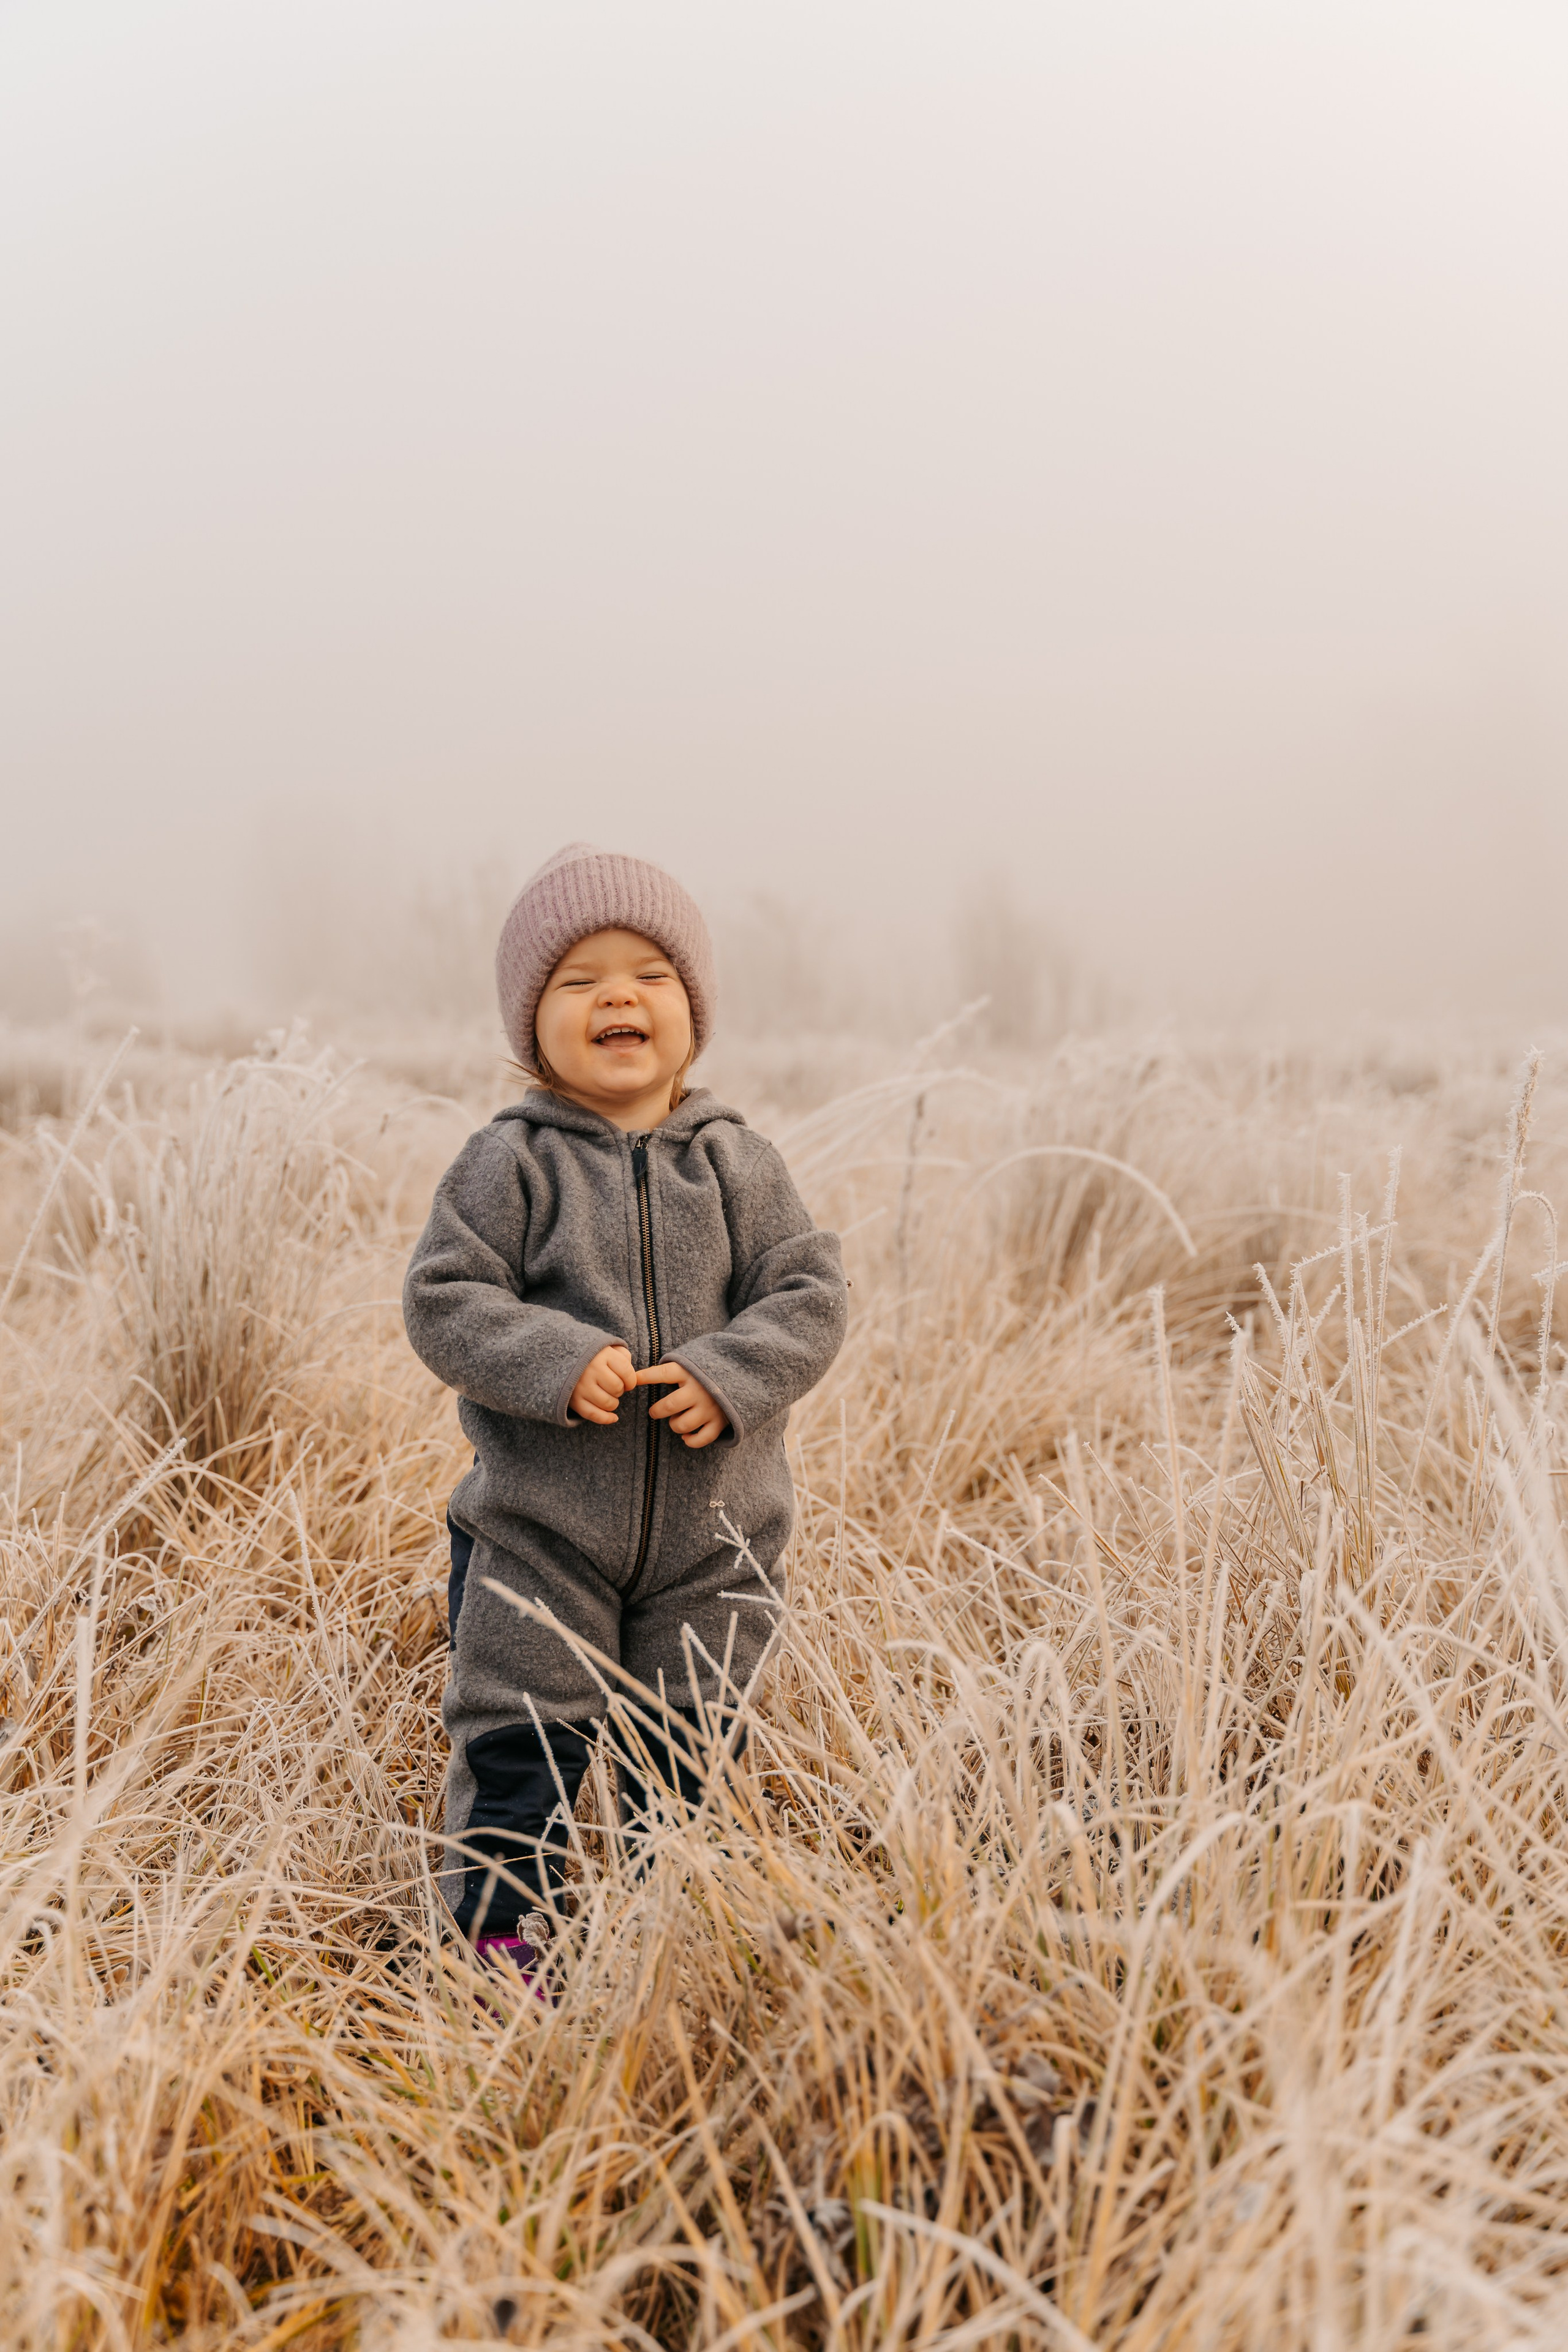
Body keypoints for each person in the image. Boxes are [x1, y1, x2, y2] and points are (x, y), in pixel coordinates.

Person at [403, 842, 848, 1993]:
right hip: (537, 1535)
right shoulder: (510, 1163)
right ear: (529, 1027)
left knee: (688, 1750)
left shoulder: (739, 1163)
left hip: (719, 1539)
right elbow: (444, 1300)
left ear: (691, 1015)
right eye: (577, 979)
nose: (616, 996)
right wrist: (556, 1359)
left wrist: (732, 1372)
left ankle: (673, 1935)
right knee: (520, 1747)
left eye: (649, 973)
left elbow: (810, 1291)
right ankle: (506, 1952)